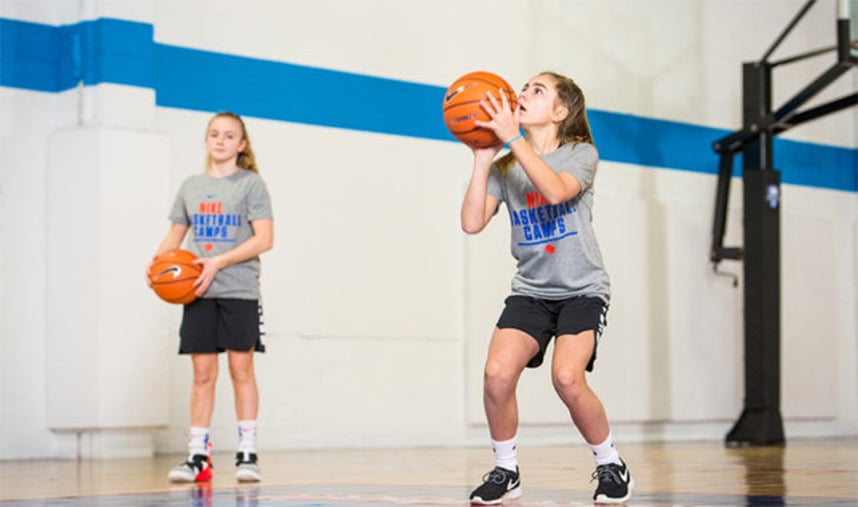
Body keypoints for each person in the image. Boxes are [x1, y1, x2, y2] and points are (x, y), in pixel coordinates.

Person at [460, 72, 633, 504]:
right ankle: (506, 471)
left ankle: (610, 462)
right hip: (531, 290)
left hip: (581, 290)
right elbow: (471, 222)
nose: (523, 94)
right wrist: (483, 158)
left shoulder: (581, 154)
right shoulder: (505, 167)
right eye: (524, 88)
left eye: (537, 90)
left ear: (560, 112)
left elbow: (555, 192)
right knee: (496, 375)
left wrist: (512, 138)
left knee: (567, 379)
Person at [149, 111, 274, 484]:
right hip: (197, 291)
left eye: (228, 135)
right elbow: (175, 235)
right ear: (207, 141)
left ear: (242, 144)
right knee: (203, 376)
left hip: (238, 290)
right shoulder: (190, 186)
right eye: (214, 134)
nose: (220, 140)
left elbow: (264, 239)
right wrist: (156, 264)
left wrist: (216, 262)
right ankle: (198, 457)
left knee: (241, 370)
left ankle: (247, 452)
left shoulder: (251, 185)